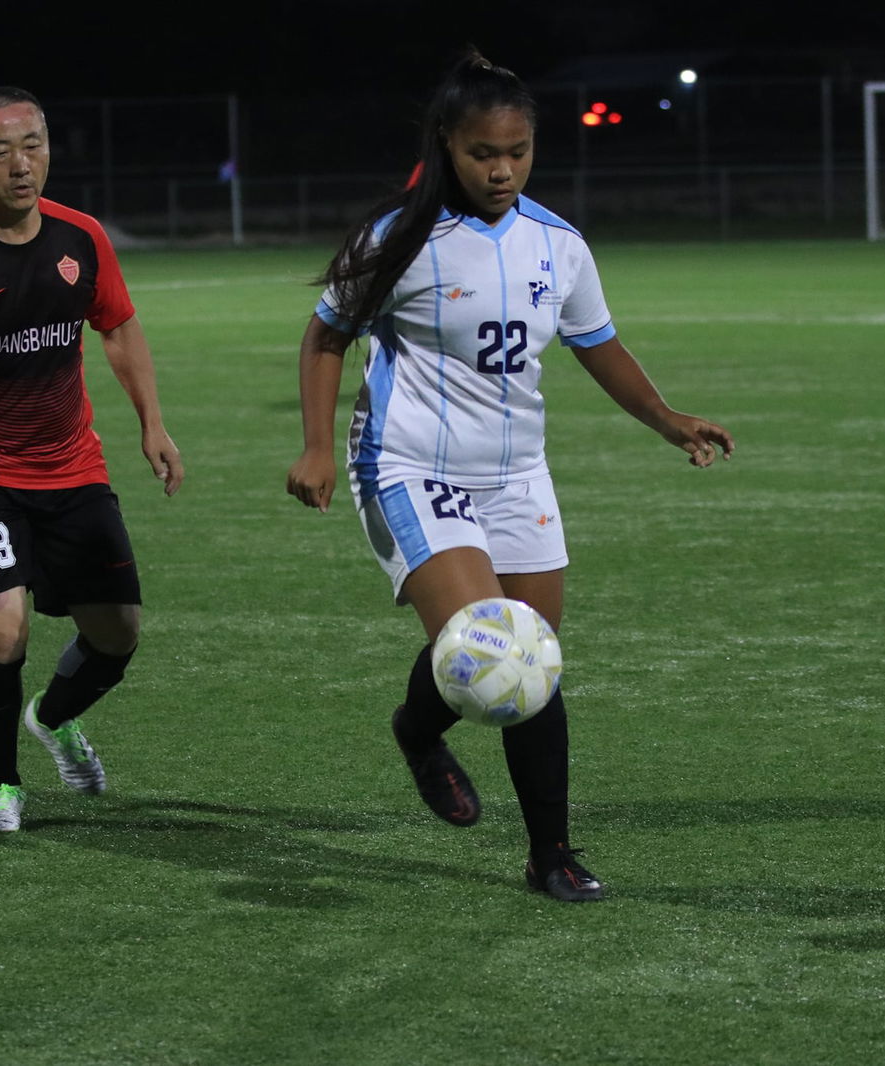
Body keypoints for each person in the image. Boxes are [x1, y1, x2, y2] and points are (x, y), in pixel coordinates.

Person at [286, 50, 733, 901]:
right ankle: (549, 844)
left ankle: (472, 783)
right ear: (446, 146)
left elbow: (596, 344)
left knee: (533, 663)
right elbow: (326, 336)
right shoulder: (396, 239)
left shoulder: (556, 244)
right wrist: (314, 447)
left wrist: (670, 420)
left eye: (518, 152)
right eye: (483, 153)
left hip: (518, 476)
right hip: (410, 466)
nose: (502, 169)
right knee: (493, 644)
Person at [0, 86, 184, 833]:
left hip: (73, 467)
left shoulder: (82, 238)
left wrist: (152, 423)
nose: (23, 165)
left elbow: (117, 328)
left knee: (118, 633)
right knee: (2, 629)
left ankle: (52, 718)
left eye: (35, 144)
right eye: (0, 151)